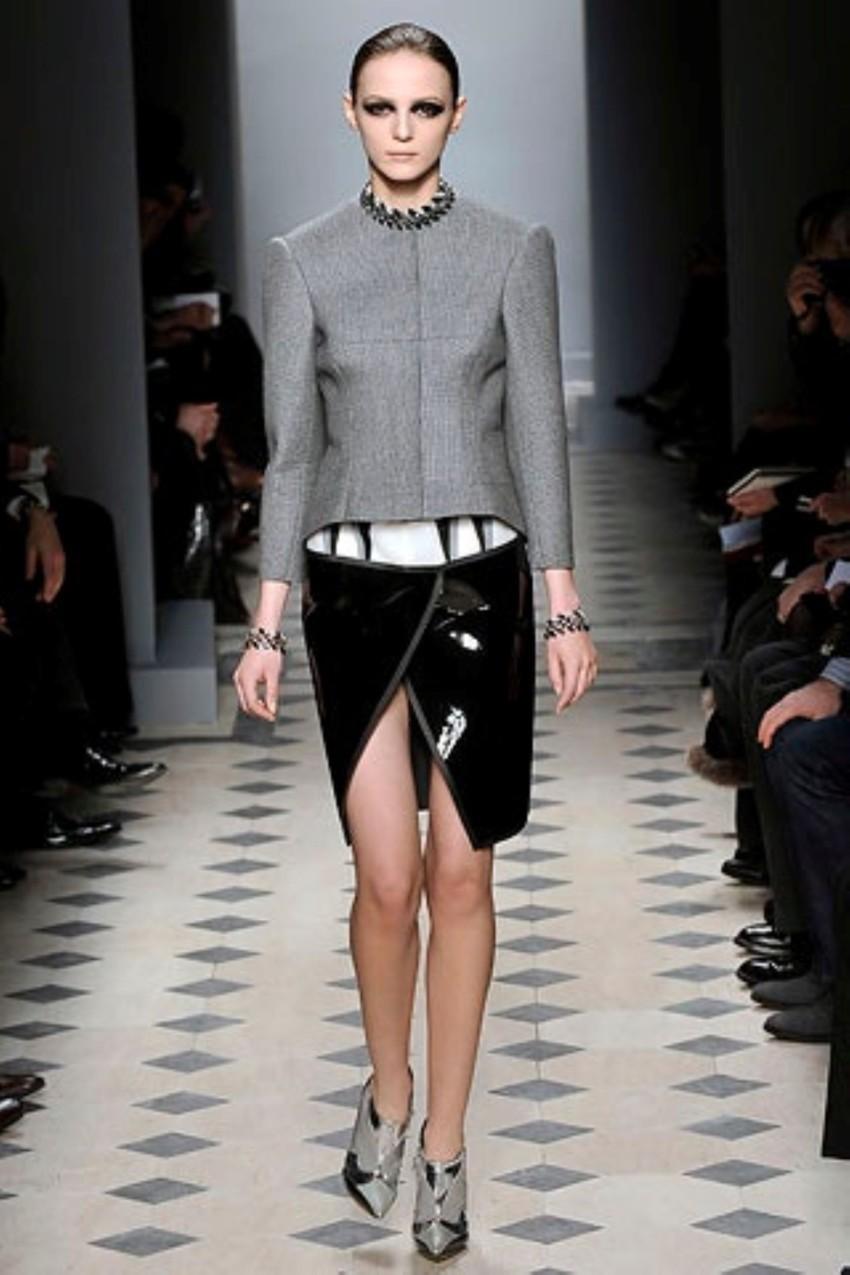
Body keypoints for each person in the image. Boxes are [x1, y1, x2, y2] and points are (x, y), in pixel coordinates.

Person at [233, 23, 597, 1262]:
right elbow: (291, 452)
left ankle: (444, 1144)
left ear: (456, 114)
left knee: (463, 877)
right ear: (349, 113)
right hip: (349, 592)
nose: (402, 128)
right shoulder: (301, 259)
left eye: (424, 107)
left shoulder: (513, 248)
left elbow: (538, 432)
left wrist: (560, 600)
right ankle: (387, 1094)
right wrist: (266, 622)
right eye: (381, 106)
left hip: (479, 587)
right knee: (386, 880)